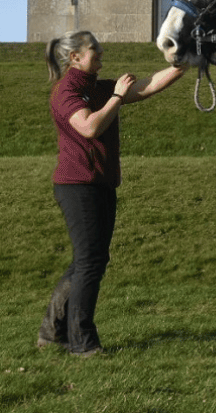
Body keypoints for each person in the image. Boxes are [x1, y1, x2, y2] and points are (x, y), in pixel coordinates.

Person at [38, 31, 185, 355]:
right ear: (75, 57)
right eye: (95, 49)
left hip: (100, 184)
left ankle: (51, 332)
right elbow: (89, 126)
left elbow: (145, 87)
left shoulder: (95, 87)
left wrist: (183, 65)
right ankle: (82, 342)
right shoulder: (67, 91)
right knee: (90, 262)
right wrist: (116, 97)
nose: (102, 52)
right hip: (77, 186)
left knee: (90, 260)